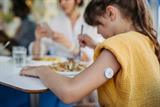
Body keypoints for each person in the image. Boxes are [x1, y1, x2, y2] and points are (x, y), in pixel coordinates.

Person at [21, 0, 160, 107]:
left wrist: (41, 70)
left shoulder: (118, 44)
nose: (98, 32)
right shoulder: (146, 41)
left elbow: (69, 93)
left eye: (99, 24)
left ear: (111, 13)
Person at [30, 0, 102, 62]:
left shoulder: (90, 23)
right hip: (58, 70)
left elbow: (91, 57)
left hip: (84, 72)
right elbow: (36, 56)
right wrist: (38, 39)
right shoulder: (54, 22)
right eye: (60, 0)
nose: (62, 3)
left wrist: (68, 45)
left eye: (66, 0)